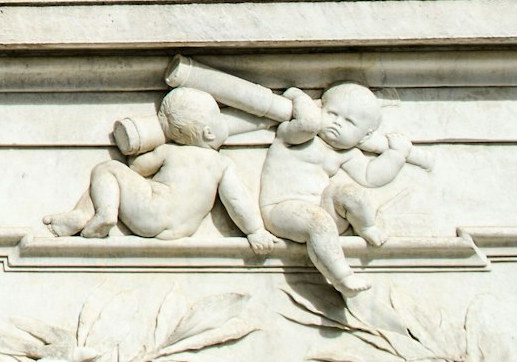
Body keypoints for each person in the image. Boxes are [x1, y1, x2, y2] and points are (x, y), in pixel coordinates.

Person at [44, 87, 274, 246]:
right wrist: (255, 231)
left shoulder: (169, 151)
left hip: (151, 213)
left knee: (108, 169)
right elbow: (237, 200)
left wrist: (156, 142)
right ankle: (85, 216)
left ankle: (98, 213)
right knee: (111, 175)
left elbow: (136, 168)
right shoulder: (222, 164)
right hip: (181, 229)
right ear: (209, 132)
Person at [259, 82, 411, 296]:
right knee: (317, 220)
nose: (337, 123)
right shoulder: (294, 136)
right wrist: (298, 96)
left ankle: (366, 227)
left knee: (349, 192)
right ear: (320, 108)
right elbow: (309, 123)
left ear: (365, 137)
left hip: (321, 211)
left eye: (349, 122)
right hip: (281, 210)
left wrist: (397, 154)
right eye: (332, 113)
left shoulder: (344, 153)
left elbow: (371, 177)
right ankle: (342, 278)